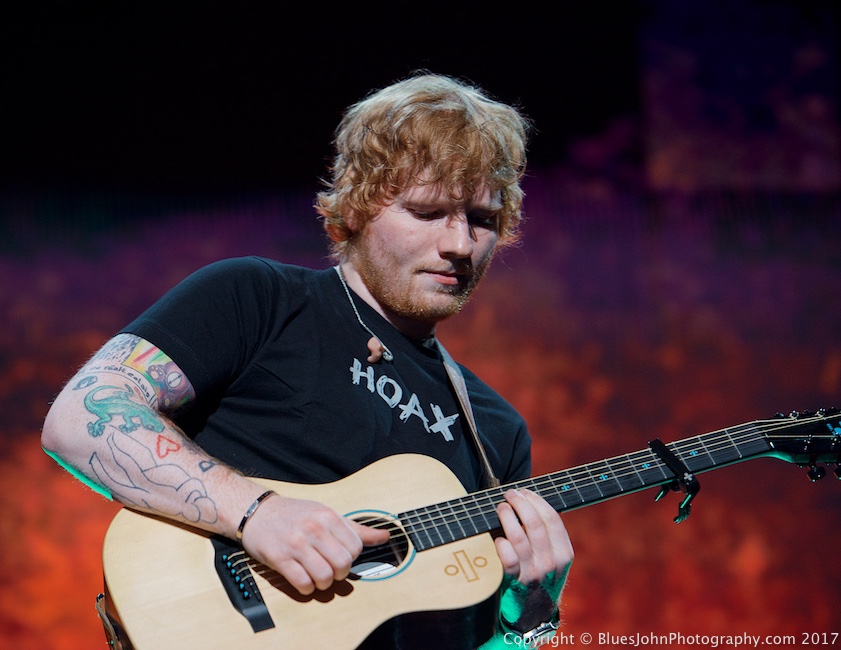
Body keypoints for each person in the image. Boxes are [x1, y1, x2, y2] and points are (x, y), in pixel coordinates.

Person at [42, 73, 574, 649]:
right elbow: (80, 418)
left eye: (482, 219)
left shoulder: (495, 434)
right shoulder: (258, 298)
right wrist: (257, 512)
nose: (460, 245)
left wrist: (529, 620)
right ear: (358, 207)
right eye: (426, 211)